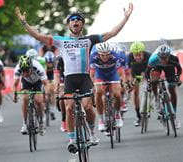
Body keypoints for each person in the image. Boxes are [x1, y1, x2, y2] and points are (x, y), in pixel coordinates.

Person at [15, 2, 133, 152]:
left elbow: (112, 33)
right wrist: (24, 22)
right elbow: (38, 36)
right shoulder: (61, 40)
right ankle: (72, 139)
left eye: (78, 20)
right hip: (69, 79)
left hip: (84, 78)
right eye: (72, 20)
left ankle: (92, 132)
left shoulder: (89, 40)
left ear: (82, 24)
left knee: (88, 106)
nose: (75, 21)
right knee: (69, 107)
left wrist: (125, 18)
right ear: (69, 25)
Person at [89, 42, 125, 134]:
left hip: (112, 74)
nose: (105, 57)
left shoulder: (115, 56)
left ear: (110, 53)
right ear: (98, 54)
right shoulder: (93, 57)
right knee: (98, 92)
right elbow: (92, 74)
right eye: (102, 55)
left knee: (117, 94)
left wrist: (122, 82)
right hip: (100, 74)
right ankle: (101, 119)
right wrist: (92, 85)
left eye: (107, 55)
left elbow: (121, 71)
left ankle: (117, 115)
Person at [145, 44, 182, 129]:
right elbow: (147, 72)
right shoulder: (153, 59)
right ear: (158, 56)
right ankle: (156, 98)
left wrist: (178, 78)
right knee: (154, 80)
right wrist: (149, 81)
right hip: (157, 67)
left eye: (165, 58)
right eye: (161, 58)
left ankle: (173, 115)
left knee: (172, 89)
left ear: (169, 56)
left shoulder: (174, 58)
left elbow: (179, 69)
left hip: (169, 68)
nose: (163, 60)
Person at [12, 55, 48, 135]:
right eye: (23, 71)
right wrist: (14, 95)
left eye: (27, 71)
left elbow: (45, 83)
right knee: (25, 98)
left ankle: (41, 123)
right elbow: (14, 84)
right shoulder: (18, 68)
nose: (25, 73)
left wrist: (45, 95)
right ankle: (24, 123)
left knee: (38, 101)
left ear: (31, 67)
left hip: (38, 82)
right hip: (26, 83)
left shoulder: (38, 67)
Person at [126, 41, 151, 127]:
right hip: (135, 73)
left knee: (152, 84)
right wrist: (131, 82)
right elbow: (128, 73)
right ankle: (138, 116)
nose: (138, 57)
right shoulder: (129, 57)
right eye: (135, 55)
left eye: (140, 55)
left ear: (143, 53)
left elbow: (154, 69)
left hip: (146, 71)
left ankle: (152, 102)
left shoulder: (149, 56)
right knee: (135, 91)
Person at [44, 51, 56, 120]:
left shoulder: (55, 66)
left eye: (51, 62)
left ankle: (52, 109)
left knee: (52, 90)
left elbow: (56, 77)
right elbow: (43, 77)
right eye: (48, 62)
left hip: (52, 78)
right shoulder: (44, 66)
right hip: (45, 78)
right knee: (46, 89)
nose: (50, 64)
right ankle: (45, 105)